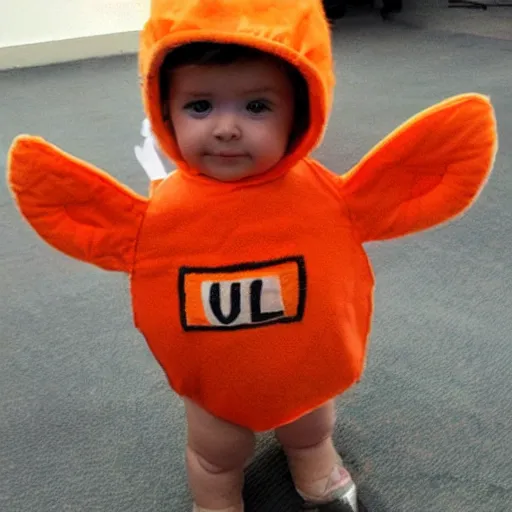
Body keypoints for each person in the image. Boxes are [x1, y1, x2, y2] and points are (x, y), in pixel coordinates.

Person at [7, 0, 497, 511]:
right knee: (217, 448)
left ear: (302, 111)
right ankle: (215, 495)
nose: (225, 129)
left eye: (257, 106)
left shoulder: (326, 198)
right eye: (200, 106)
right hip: (214, 382)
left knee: (312, 422)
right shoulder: (162, 217)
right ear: (164, 109)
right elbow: (85, 222)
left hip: (307, 369)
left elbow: (412, 185)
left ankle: (312, 454)